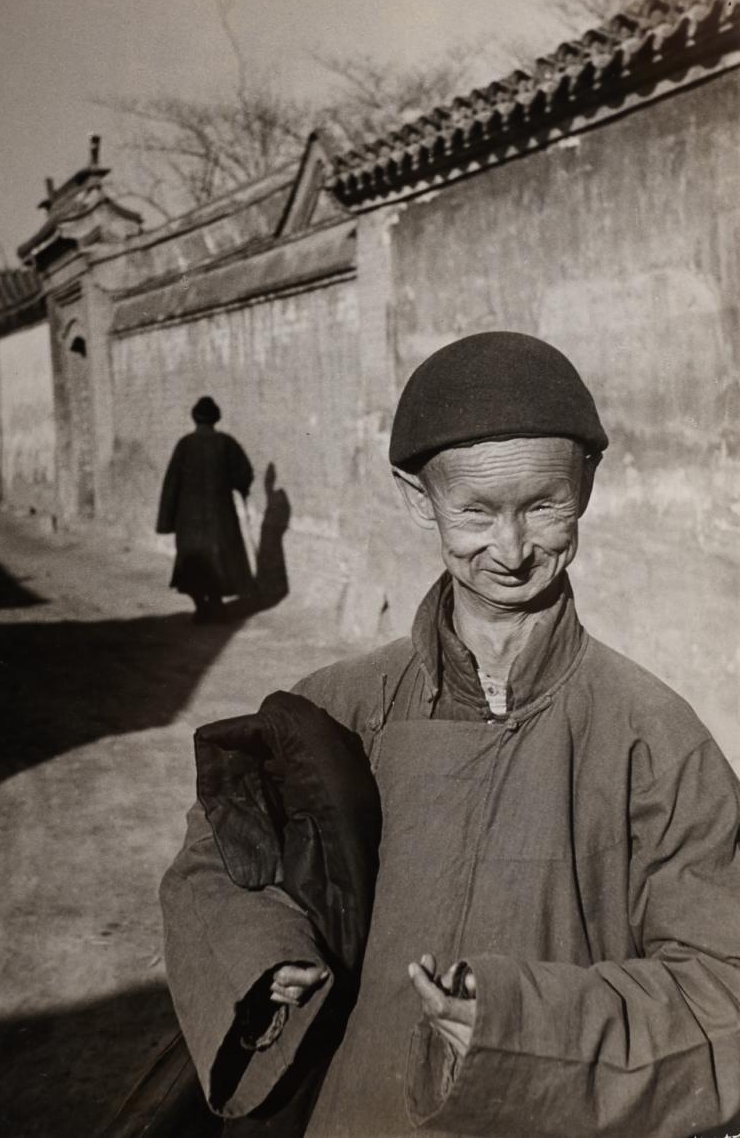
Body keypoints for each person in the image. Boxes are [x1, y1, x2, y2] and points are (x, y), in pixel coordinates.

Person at [160, 334, 740, 1137]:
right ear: (415, 497)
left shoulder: (654, 739)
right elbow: (218, 866)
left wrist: (522, 1029)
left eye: (543, 504)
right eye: (475, 511)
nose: (510, 550)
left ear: (588, 483)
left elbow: (723, 987)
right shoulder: (338, 708)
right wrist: (266, 948)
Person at [156, 397, 255, 622]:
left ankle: (201, 607)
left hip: (189, 519)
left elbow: (171, 483)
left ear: (194, 418)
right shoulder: (225, 443)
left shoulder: (184, 445)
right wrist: (240, 487)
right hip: (219, 516)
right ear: (216, 419)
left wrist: (166, 521)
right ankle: (217, 605)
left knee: (194, 560)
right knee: (219, 557)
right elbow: (244, 474)